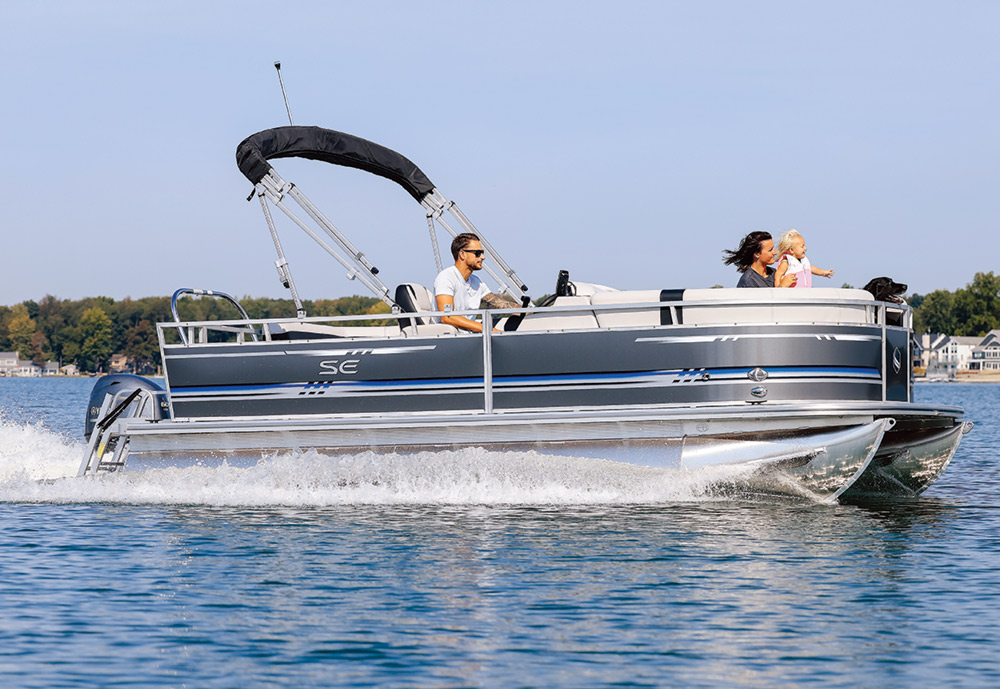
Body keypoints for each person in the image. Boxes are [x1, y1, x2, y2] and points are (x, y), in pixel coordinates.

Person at [433, 233, 496, 333]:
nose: (483, 257)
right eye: (478, 253)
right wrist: (489, 330)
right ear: (462, 254)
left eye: (482, 253)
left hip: (468, 336)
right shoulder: (446, 277)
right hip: (449, 338)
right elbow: (447, 317)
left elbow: (498, 303)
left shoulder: (476, 281)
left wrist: (524, 310)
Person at [723, 230, 797, 288]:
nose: (775, 252)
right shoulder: (748, 281)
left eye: (773, 248)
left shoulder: (774, 273)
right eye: (770, 250)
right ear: (757, 254)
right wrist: (783, 287)